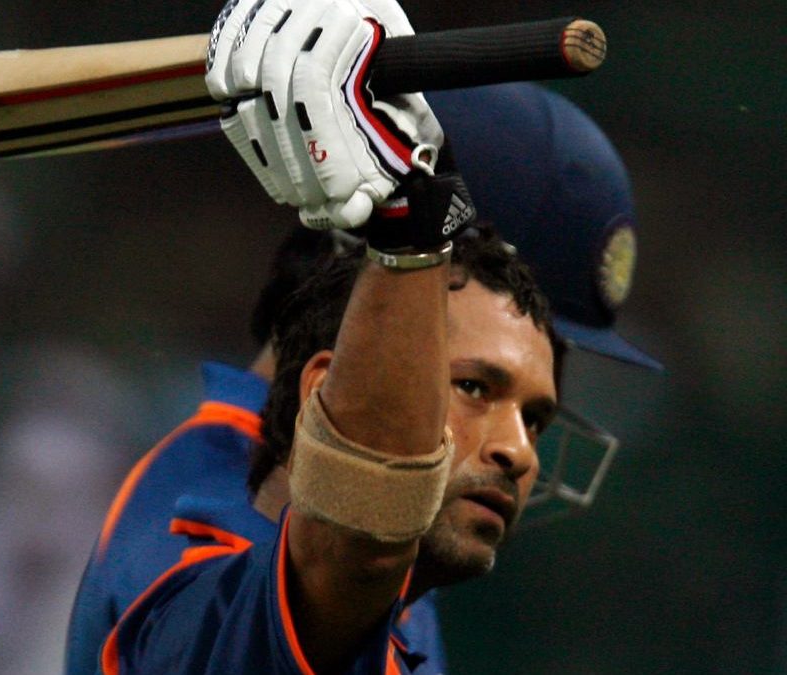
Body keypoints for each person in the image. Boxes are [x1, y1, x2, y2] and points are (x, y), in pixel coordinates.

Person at [66, 87, 658, 675]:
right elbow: (348, 548)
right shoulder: (232, 527)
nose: (519, 449)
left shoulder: (407, 550)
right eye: (476, 384)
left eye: (535, 411)